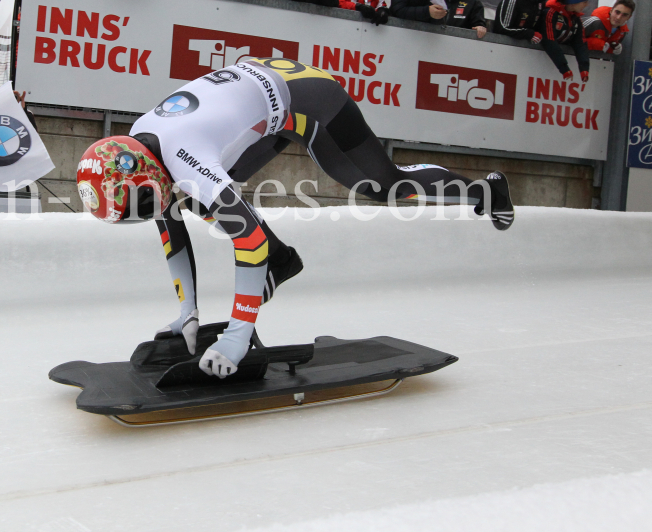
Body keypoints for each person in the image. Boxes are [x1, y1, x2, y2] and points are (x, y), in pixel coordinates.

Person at [75, 58, 514, 378]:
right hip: (257, 94)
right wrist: (187, 313)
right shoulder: (133, 146)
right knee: (195, 204)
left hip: (310, 99)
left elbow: (249, 242)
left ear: (149, 175)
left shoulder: (187, 161)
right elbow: (169, 228)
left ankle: (485, 190)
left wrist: (236, 334)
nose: (153, 211)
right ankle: (281, 262)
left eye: (146, 203)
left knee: (383, 185)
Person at [538, 0, 592, 81]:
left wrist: (584, 69)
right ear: (574, 1)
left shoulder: (576, 18)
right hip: (536, 61)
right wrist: (564, 68)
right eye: (584, 2)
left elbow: (580, 43)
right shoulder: (550, 12)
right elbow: (549, 41)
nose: (587, 5)